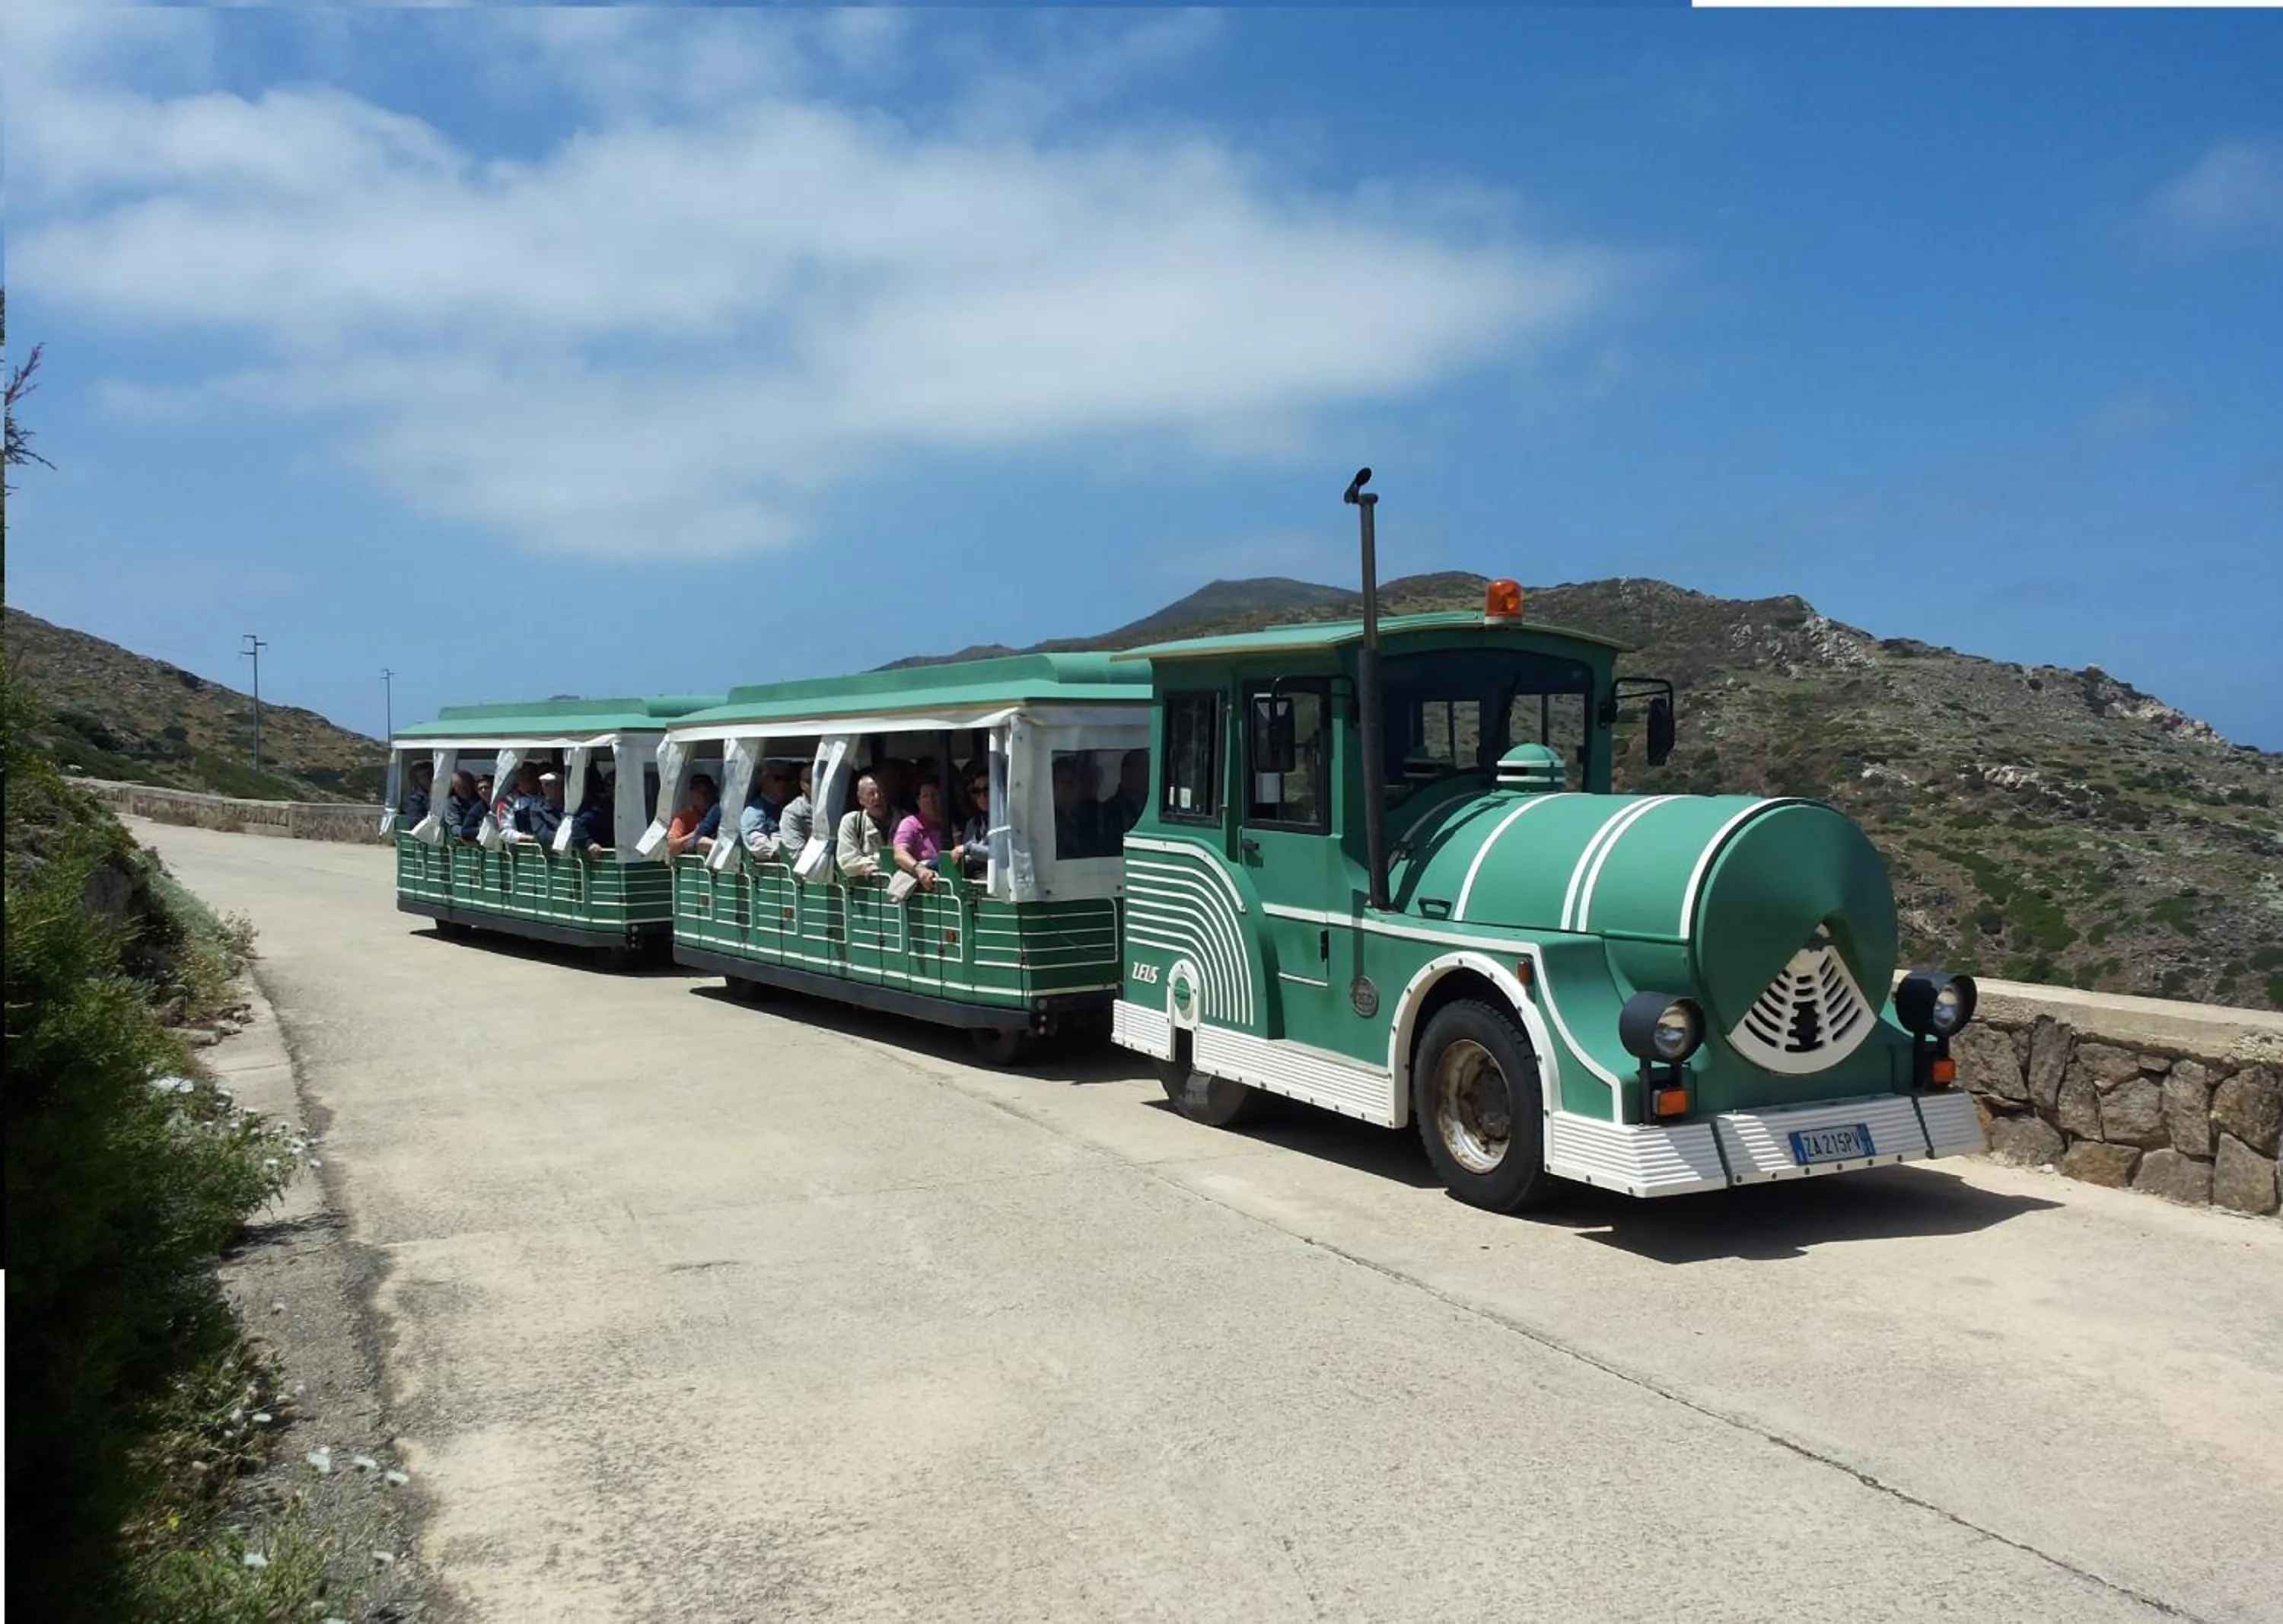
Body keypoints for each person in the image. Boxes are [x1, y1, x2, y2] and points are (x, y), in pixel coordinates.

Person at [893, 781, 950, 892]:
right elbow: (899, 854)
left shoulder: (950, 825)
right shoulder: (910, 824)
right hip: (923, 888)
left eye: (935, 795)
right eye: (925, 796)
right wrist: (920, 870)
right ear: (918, 801)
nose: (931, 801)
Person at [835, 772, 892, 878]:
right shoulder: (851, 822)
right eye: (871, 794)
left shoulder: (905, 819)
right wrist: (870, 865)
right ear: (861, 799)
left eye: (881, 792)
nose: (877, 797)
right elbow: (847, 860)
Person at [1097, 749, 1149, 849]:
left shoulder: (1154, 807)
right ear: (1126, 773)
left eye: (1148, 770)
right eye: (1141, 770)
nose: (1146, 775)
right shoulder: (1108, 811)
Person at [1051, 755, 1099, 859]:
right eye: (1064, 783)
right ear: (1053, 787)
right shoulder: (1047, 820)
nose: (1069, 789)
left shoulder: (1093, 816)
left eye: (1073, 783)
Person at [953, 762, 992, 877]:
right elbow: (965, 857)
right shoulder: (974, 823)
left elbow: (1002, 856)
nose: (982, 796)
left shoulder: (1008, 821)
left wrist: (969, 848)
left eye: (987, 789)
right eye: (977, 791)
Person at [667, 773, 720, 857]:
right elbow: (671, 848)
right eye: (701, 793)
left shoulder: (719, 813)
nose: (705, 798)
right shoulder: (683, 819)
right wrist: (694, 835)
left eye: (708, 793)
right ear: (692, 795)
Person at [739, 762, 791, 845]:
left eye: (787, 779)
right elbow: (754, 839)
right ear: (763, 781)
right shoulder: (755, 810)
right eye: (777, 779)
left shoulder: (793, 807)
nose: (783, 784)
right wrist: (777, 851)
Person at [571, 764, 614, 858]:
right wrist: (590, 844)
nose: (613, 788)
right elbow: (578, 825)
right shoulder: (600, 806)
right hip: (603, 857)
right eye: (609, 785)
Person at [776, 761, 816, 865]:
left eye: (818, 780)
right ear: (802, 785)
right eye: (809, 781)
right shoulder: (792, 813)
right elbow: (798, 853)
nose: (815, 785)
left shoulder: (839, 806)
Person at [521, 769, 566, 843]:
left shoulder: (572, 807)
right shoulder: (536, 809)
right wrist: (566, 839)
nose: (547, 789)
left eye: (549, 785)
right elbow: (543, 835)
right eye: (544, 785)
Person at [445, 770, 486, 840]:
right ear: (454, 789)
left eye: (466, 787)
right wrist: (466, 832)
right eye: (459, 788)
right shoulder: (452, 802)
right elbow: (453, 826)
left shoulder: (483, 798)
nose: (464, 791)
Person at [401, 760, 434, 826]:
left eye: (428, 774)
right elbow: (415, 821)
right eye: (422, 776)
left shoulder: (444, 793)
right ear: (417, 779)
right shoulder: (415, 799)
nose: (426, 778)